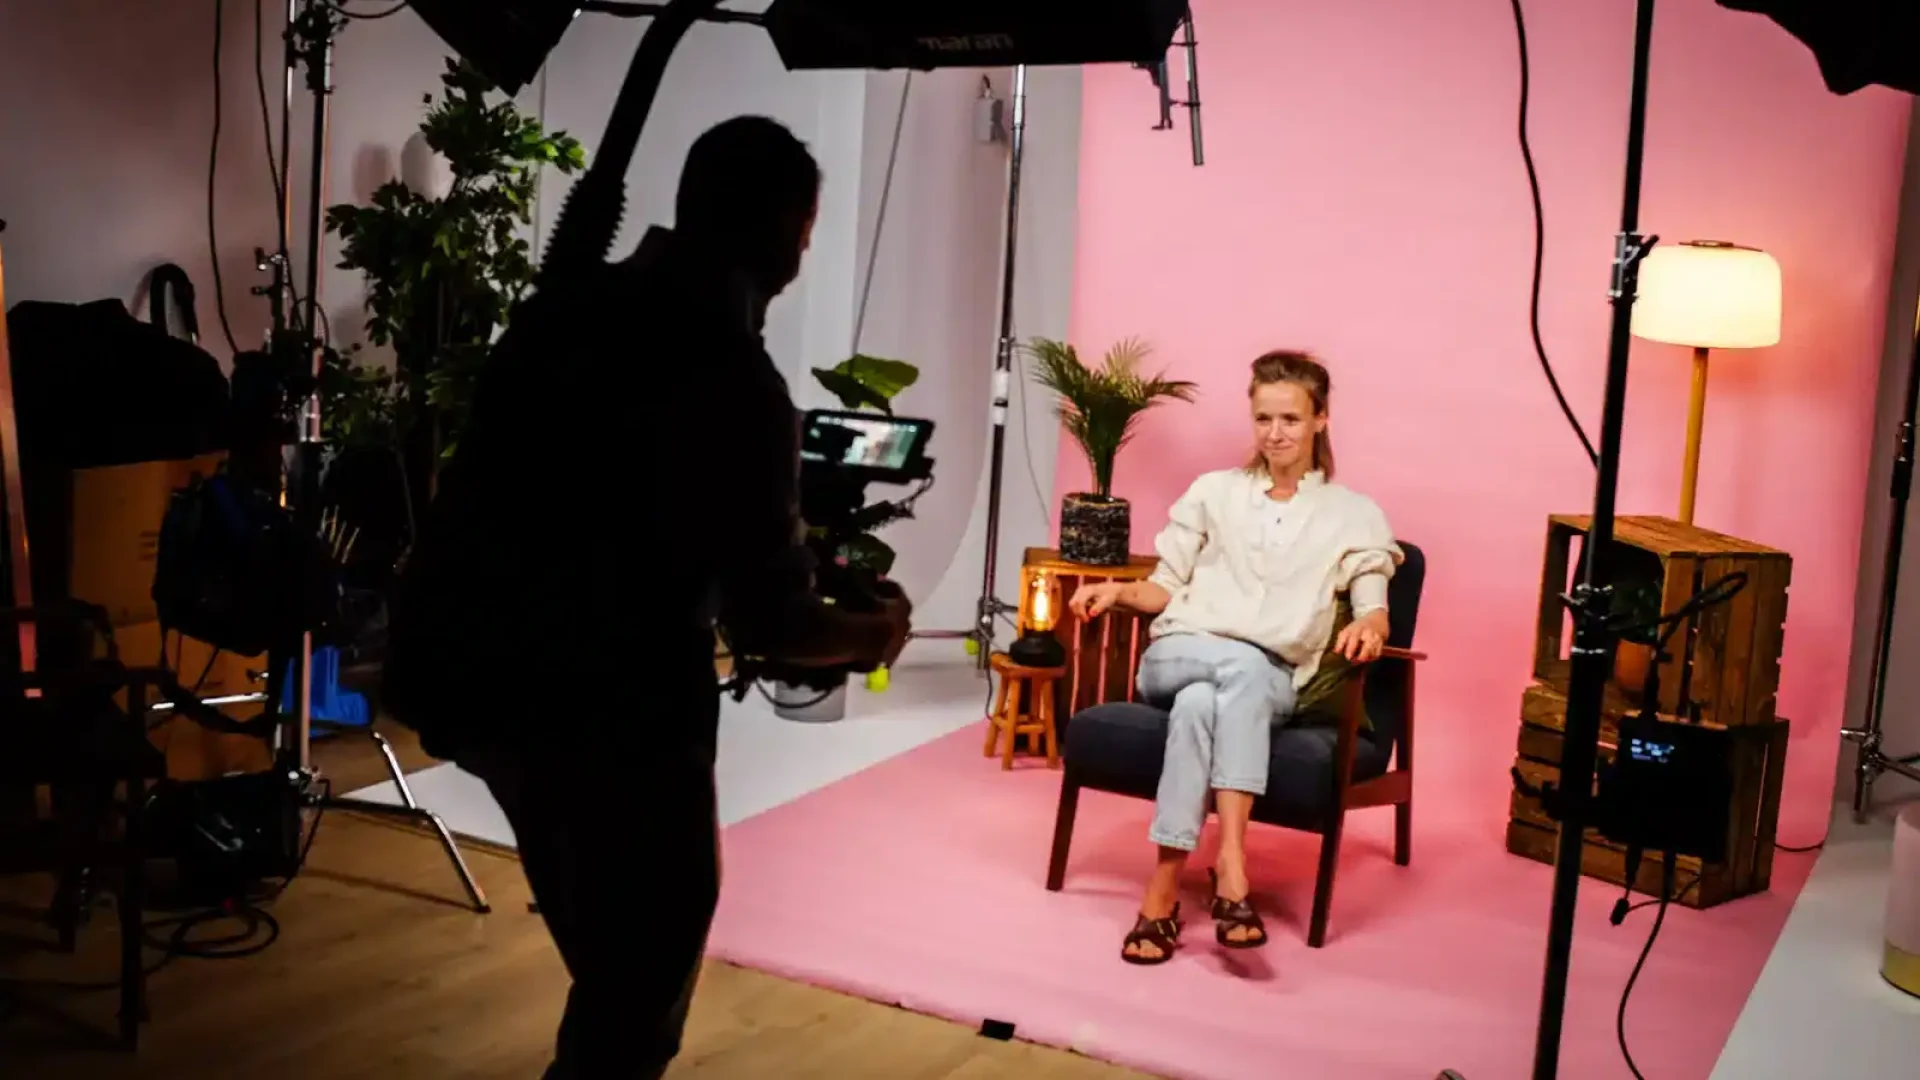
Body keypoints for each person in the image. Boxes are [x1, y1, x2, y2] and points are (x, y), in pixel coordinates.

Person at [381, 116, 912, 1077]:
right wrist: (873, 634)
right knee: (640, 979)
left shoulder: (564, 312)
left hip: (470, 672)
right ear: (794, 228)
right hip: (604, 709)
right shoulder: (731, 380)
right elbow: (772, 622)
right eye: (805, 231)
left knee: (615, 965)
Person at [1067, 351, 1401, 964]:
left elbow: (1370, 587)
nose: (1276, 434)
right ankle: (1231, 865)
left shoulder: (1353, 513)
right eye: (1264, 419)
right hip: (1179, 651)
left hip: (1272, 678)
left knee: (1204, 705)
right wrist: (1117, 591)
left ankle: (1163, 890)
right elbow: (1164, 587)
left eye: (1291, 420)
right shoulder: (1212, 493)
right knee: (1223, 674)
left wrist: (1374, 617)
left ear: (1321, 419)